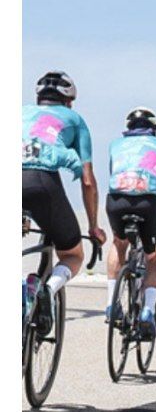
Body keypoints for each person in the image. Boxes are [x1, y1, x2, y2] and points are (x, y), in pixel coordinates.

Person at [22, 71, 102, 321]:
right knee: (72, 255)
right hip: (42, 182)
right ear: (69, 102)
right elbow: (87, 181)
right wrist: (93, 227)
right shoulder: (75, 120)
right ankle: (45, 288)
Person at [104, 108, 156, 339]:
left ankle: (111, 303)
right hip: (148, 201)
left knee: (119, 244)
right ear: (154, 129)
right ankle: (148, 309)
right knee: (154, 256)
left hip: (116, 200)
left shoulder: (115, 145)